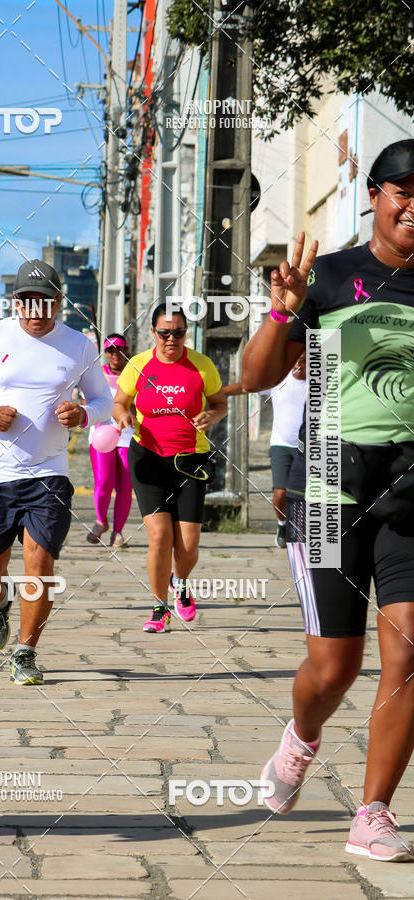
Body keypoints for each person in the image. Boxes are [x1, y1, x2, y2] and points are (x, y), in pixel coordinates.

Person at [241, 139, 414, 861]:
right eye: (403, 190)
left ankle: (372, 812)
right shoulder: (331, 277)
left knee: (408, 652)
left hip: (410, 494)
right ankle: (301, 740)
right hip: (329, 493)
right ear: (374, 195)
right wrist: (284, 312)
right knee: (333, 668)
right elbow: (254, 377)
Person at [0, 259, 112, 685]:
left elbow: (103, 402)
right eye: (26, 302)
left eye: (44, 302)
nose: (35, 311)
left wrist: (83, 414)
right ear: (15, 303)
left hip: (48, 473)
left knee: (39, 564)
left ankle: (25, 651)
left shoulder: (79, 345)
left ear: (59, 302)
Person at [113, 303, 227, 632]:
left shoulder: (201, 366)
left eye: (178, 332)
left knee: (188, 547)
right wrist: (123, 416)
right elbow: (120, 401)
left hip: (191, 460)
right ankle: (159, 607)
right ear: (153, 333)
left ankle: (180, 580)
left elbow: (220, 403)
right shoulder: (138, 365)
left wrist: (212, 416)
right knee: (160, 536)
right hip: (148, 456)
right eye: (164, 333)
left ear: (185, 334)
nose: (171, 339)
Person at [225, 351, 307, 548]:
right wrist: (221, 392)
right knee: (280, 492)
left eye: (303, 360)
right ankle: (282, 524)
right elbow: (247, 387)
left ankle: (302, 534)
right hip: (281, 445)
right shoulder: (280, 380)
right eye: (295, 360)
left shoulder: (321, 383)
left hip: (309, 447)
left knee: (305, 495)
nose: (298, 365)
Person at [87, 333, 134, 548]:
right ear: (105, 353)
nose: (115, 353)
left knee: (125, 488)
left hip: (128, 436)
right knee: (104, 482)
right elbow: (88, 399)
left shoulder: (135, 373)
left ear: (127, 349)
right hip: (102, 435)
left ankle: (118, 532)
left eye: (120, 348)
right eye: (110, 350)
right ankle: (100, 521)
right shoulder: (97, 374)